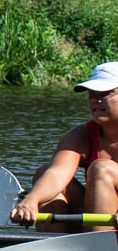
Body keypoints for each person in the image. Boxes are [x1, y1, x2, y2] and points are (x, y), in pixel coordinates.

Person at [11, 62, 118, 231]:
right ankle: (55, 249)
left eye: (105, 93)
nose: (96, 101)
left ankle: (98, 250)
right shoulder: (81, 136)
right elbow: (57, 174)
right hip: (103, 224)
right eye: (91, 94)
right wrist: (31, 199)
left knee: (101, 168)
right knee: (43, 176)